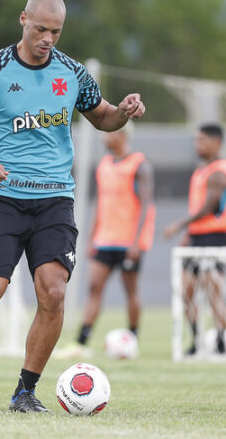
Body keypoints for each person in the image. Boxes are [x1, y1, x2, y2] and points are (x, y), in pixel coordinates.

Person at [0, 0, 145, 412]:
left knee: (53, 293)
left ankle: (25, 391)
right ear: (23, 20)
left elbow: (104, 117)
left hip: (55, 199)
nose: (47, 39)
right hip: (4, 198)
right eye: (40, 30)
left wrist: (124, 111)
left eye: (55, 32)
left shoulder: (72, 74)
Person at [57, 123, 155, 358]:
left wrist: (137, 241)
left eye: (108, 132)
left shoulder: (139, 164)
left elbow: (145, 206)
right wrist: (91, 237)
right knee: (94, 288)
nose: (103, 137)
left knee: (130, 290)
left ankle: (133, 338)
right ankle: (81, 341)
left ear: (122, 134)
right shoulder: (103, 165)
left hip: (129, 241)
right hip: (104, 239)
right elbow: (101, 204)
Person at [164, 123, 226, 355]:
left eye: (203, 140)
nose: (198, 144)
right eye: (196, 140)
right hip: (196, 238)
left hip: (216, 237)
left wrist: (178, 225)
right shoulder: (200, 171)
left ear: (217, 142)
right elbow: (197, 207)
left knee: (212, 290)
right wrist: (188, 234)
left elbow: (208, 207)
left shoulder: (219, 170)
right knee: (186, 291)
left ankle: (222, 341)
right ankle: (196, 341)